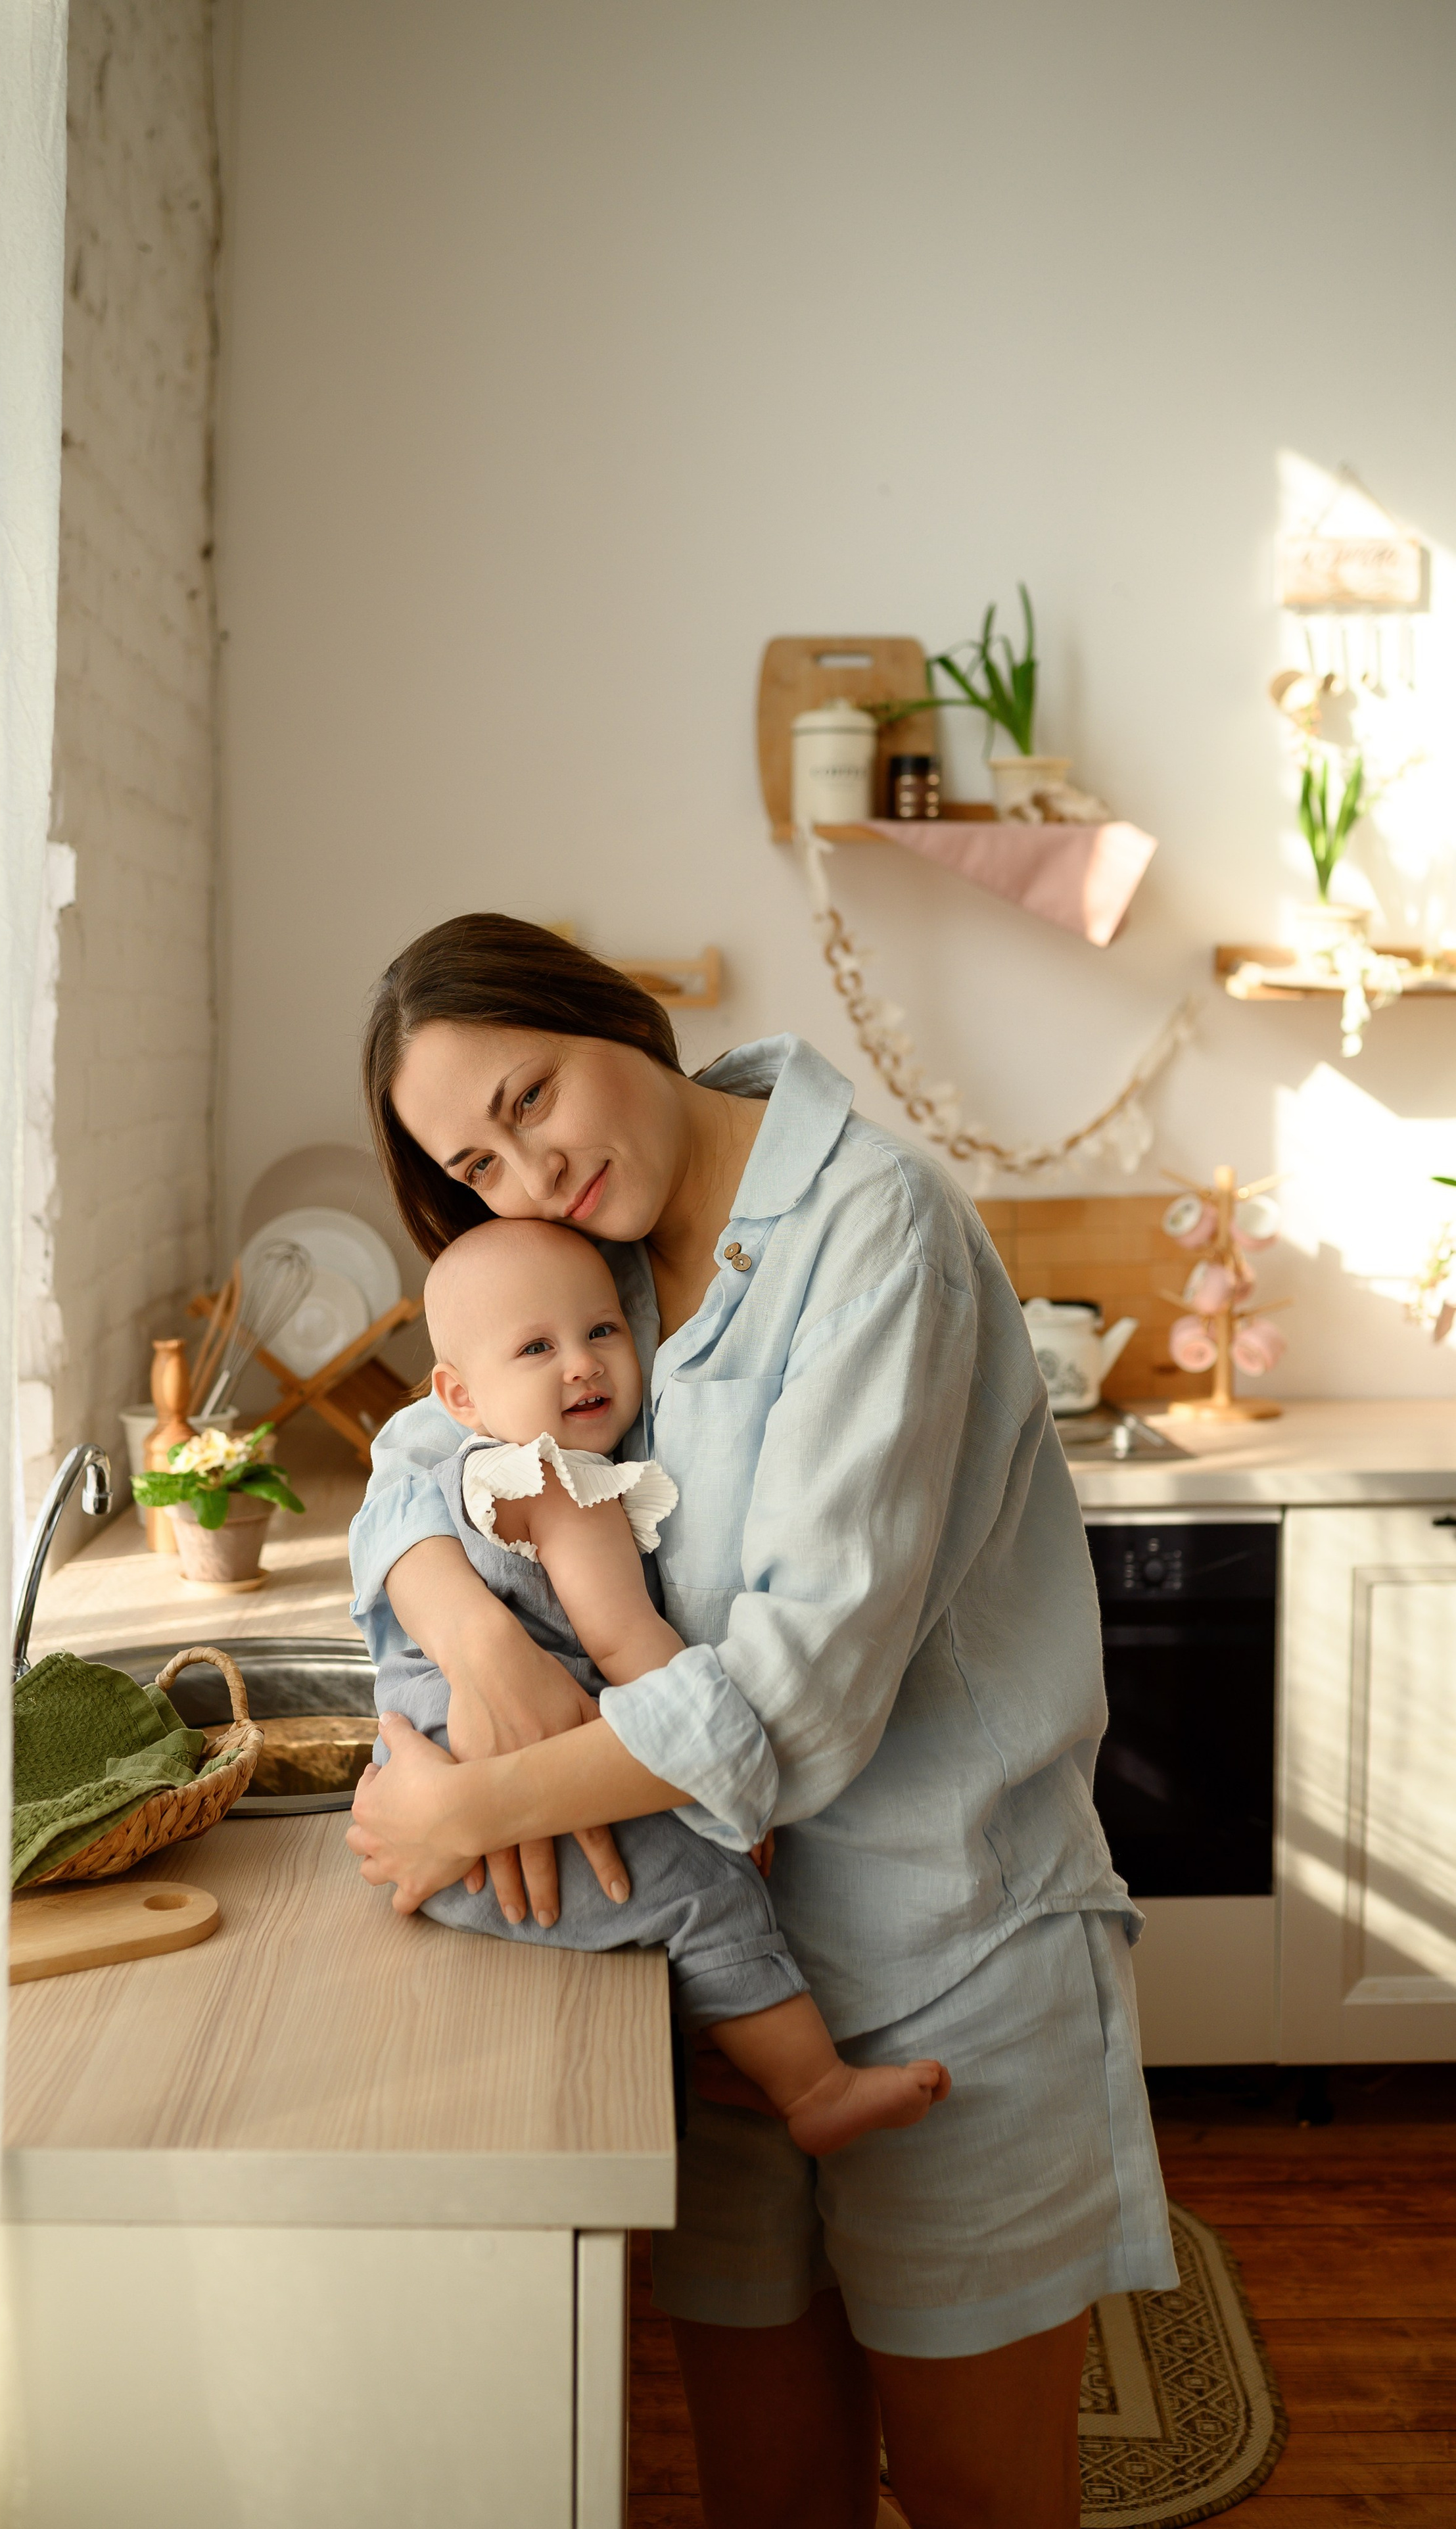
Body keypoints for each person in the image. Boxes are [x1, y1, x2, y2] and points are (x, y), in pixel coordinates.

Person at [346, 912, 1175, 2529]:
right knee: (768, 2491)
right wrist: (467, 1631)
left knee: (975, 2493)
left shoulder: (875, 1230)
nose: (526, 1173)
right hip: (724, 2003)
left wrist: (463, 1814)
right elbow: (412, 1457)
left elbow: (797, 1697)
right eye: (475, 1161)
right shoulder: (591, 1268)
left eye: (530, 1099)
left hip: (949, 1967)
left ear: (622, 1018)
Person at [362, 1210, 951, 2158]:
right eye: (537, 1347)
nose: (583, 1365)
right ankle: (815, 2087)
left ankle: (736, 2046)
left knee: (672, 1910)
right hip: (496, 1836)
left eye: (601, 1330)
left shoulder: (460, 1473)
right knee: (708, 1891)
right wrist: (727, 1794)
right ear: (460, 1396)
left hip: (433, 1804)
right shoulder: (562, 1484)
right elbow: (632, 1642)